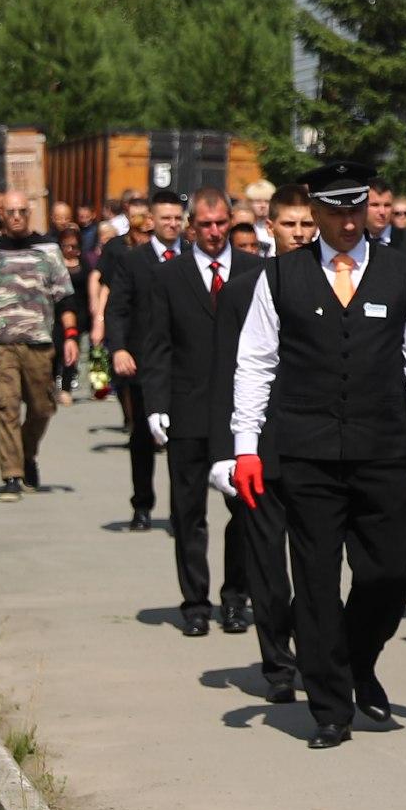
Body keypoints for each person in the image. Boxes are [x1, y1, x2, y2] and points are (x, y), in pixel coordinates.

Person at [230, 159, 406, 749]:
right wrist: (245, 447)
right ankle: (330, 707)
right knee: (318, 579)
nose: (349, 222)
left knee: (390, 572)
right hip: (308, 451)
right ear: (316, 211)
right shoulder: (280, 277)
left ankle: (355, 660)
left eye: (357, 208)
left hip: (384, 448)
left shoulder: (405, 274)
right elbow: (254, 363)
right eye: (335, 210)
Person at [136, 189, 296, 694]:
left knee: (245, 512)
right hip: (187, 408)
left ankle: (235, 596)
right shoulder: (169, 277)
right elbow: (156, 342)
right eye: (204, 224)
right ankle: (195, 602)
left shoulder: (253, 272)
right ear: (190, 226)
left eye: (221, 223)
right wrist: (156, 402)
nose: (213, 232)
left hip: (236, 410)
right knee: (188, 511)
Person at [0, 191, 75, 500]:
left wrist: (71, 337)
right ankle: (12, 475)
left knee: (42, 407)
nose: (15, 217)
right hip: (1, 344)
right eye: (10, 212)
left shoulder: (48, 250)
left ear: (30, 213)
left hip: (39, 342)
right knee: (6, 407)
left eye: (21, 211)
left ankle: (26, 455)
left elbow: (65, 296)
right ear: (2, 215)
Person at [102, 191, 187, 531]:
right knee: (142, 438)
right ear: (151, 220)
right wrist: (119, 349)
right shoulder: (133, 261)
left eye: (177, 218)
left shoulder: (193, 257)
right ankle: (142, 505)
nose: (172, 224)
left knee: (182, 440)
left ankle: (183, 510)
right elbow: (118, 309)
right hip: (142, 364)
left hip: (183, 365)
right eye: (165, 218)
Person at [52, 227, 89, 401]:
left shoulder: (84, 264)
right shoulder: (55, 265)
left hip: (79, 314)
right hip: (57, 314)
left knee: (71, 351)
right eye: (65, 246)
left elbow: (91, 286)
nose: (69, 250)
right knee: (55, 351)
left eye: (73, 246)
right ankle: (51, 385)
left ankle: (66, 388)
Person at [244, 178, 278, 255]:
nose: (263, 205)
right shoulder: (245, 227)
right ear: (249, 203)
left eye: (267, 201)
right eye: (258, 201)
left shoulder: (278, 227)